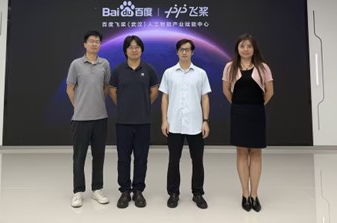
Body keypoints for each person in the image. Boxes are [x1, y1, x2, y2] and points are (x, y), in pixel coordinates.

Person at [222, 34, 274, 213]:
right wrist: (238, 106)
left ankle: (254, 194)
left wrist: (258, 106)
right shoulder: (230, 67)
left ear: (254, 49)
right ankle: (245, 194)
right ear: (237, 48)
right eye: (242, 46)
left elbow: (270, 91)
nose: (245, 49)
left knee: (256, 153)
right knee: (242, 152)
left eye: (249, 46)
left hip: (257, 112)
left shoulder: (263, 67)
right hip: (239, 112)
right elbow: (226, 90)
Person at [159, 38, 211, 209]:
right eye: (181, 49)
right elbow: (165, 97)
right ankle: (173, 193)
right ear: (177, 52)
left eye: (187, 49)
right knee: (174, 160)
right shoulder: (169, 73)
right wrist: (164, 120)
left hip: (196, 124)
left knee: (198, 160)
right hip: (174, 124)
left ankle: (198, 193)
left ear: (192, 52)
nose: (184, 52)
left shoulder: (200, 73)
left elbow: (205, 98)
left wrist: (205, 121)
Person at [109, 35, 159, 208]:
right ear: (125, 50)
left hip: (143, 121)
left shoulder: (149, 70)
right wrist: (124, 105)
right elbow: (113, 92)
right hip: (123, 122)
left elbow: (154, 91)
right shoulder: (118, 70)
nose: (134, 49)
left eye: (137, 46)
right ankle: (124, 191)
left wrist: (142, 105)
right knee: (123, 158)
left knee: (141, 158)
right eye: (130, 47)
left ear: (142, 50)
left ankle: (138, 190)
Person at [66, 30, 111, 208]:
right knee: (79, 157)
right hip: (80, 119)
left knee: (99, 156)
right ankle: (77, 192)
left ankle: (97, 189)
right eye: (91, 41)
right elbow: (70, 88)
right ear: (85, 44)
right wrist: (78, 105)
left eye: (97, 41)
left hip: (100, 118)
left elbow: (106, 87)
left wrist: (97, 101)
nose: (94, 44)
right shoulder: (76, 64)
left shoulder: (104, 64)